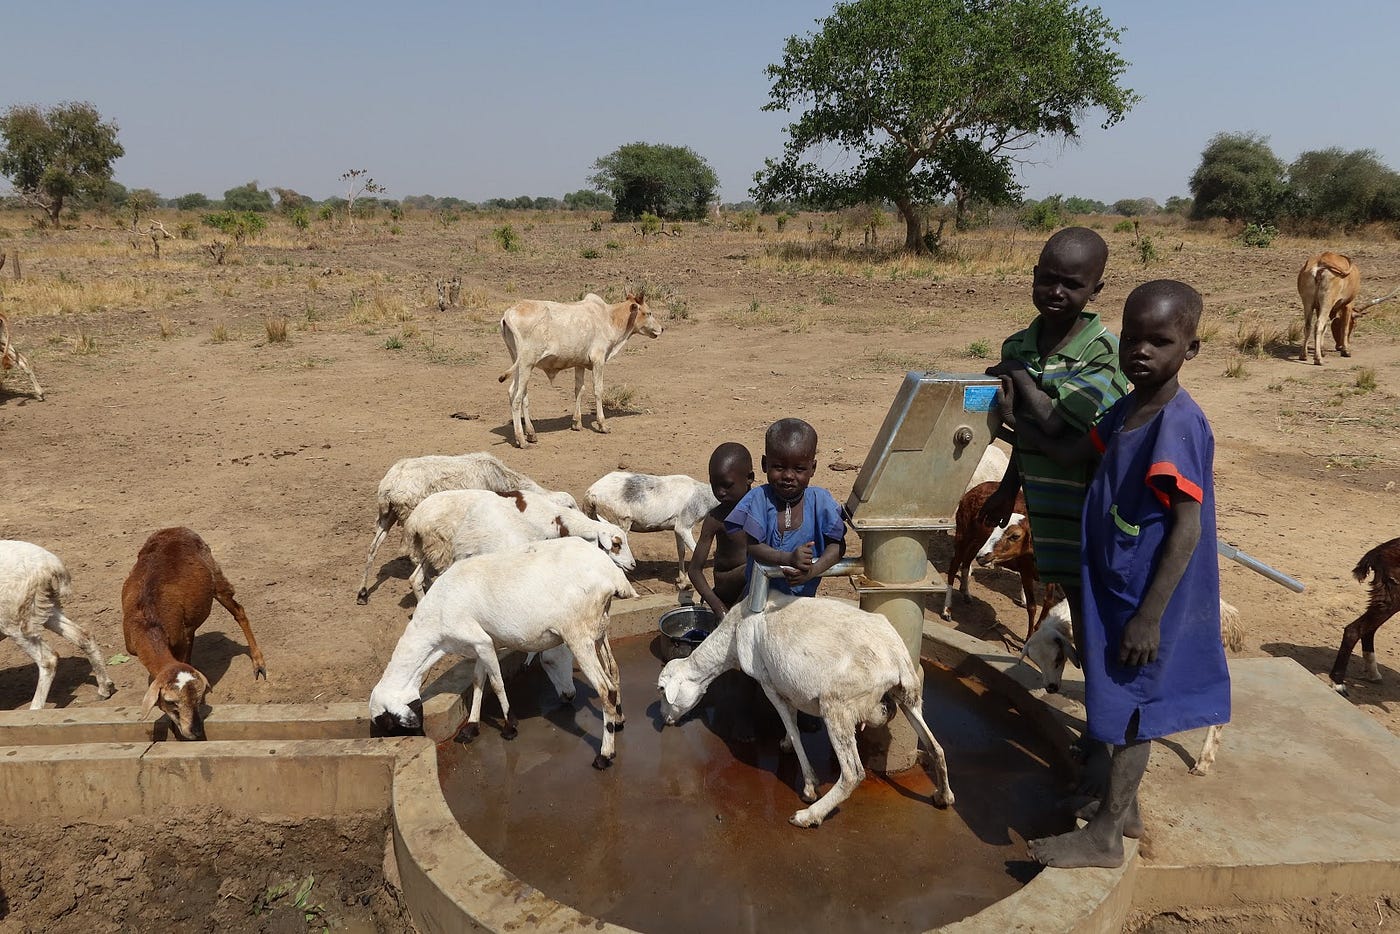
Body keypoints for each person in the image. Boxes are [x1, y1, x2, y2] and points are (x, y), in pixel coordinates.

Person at [1021, 279, 1229, 869]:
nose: (1141, 352)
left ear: (1190, 348)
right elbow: (1071, 453)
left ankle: (1107, 834)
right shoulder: (1129, 409)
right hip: (1118, 583)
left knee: (1136, 712)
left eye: (1159, 341)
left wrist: (1149, 617)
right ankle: (1125, 810)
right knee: (1117, 698)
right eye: (1132, 339)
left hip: (1145, 596)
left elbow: (1187, 526)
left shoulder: (1177, 425)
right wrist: (1012, 409)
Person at [726, 418, 846, 598]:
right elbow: (753, 547)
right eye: (779, 467)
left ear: (812, 468)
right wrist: (788, 559)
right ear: (765, 464)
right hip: (759, 601)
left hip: (800, 604)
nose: (788, 476)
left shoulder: (821, 502)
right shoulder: (759, 498)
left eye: (799, 469)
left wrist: (813, 571)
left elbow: (837, 546)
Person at [687, 442, 755, 617]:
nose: (720, 492)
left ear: (749, 478)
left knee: (760, 566)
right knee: (754, 568)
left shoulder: (764, 511)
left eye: (727, 485)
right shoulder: (715, 519)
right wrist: (717, 606)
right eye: (714, 485)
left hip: (755, 591)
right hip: (727, 590)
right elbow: (694, 570)